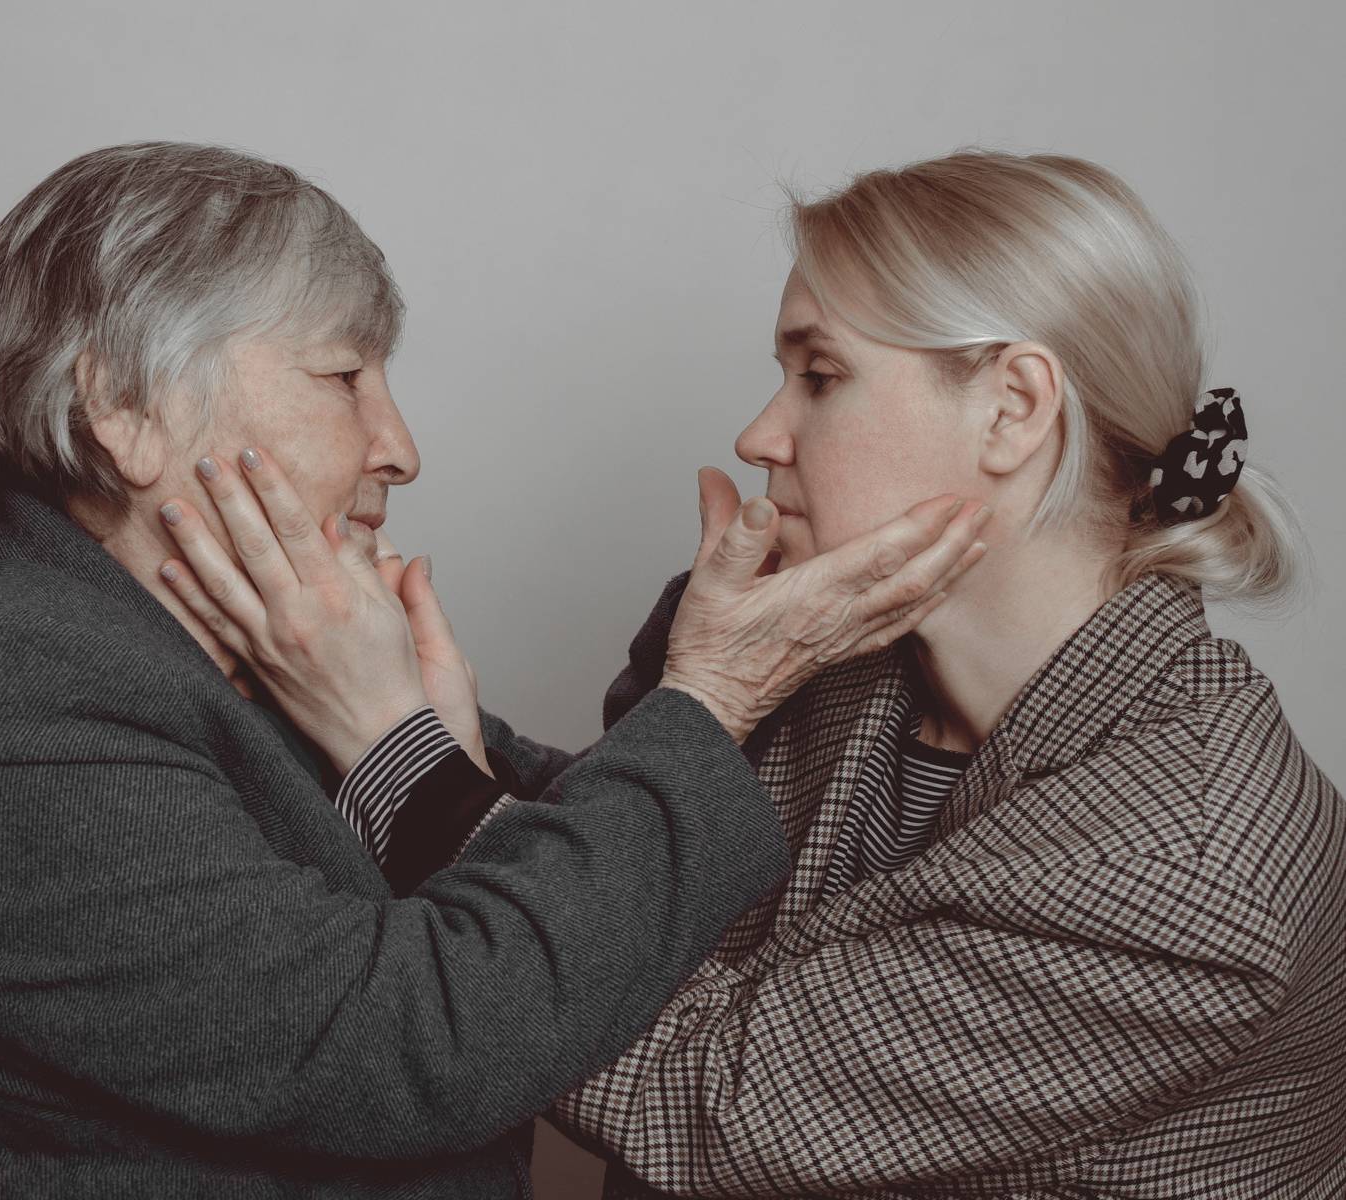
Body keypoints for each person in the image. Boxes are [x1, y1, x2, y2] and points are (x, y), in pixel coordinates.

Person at [167, 149, 1345, 1198]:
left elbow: (702, 1101)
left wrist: (398, 754)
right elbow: (625, 875)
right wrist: (441, 728)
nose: (760, 435)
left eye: (820, 376)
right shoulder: (843, 658)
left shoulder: (1188, 874)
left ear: (1013, 409)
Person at [0, 142, 986, 1199]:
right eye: (345, 375)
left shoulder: (233, 647)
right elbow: (418, 1048)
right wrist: (714, 692)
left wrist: (435, 751)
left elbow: (568, 857)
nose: (400, 449)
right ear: (124, 408)